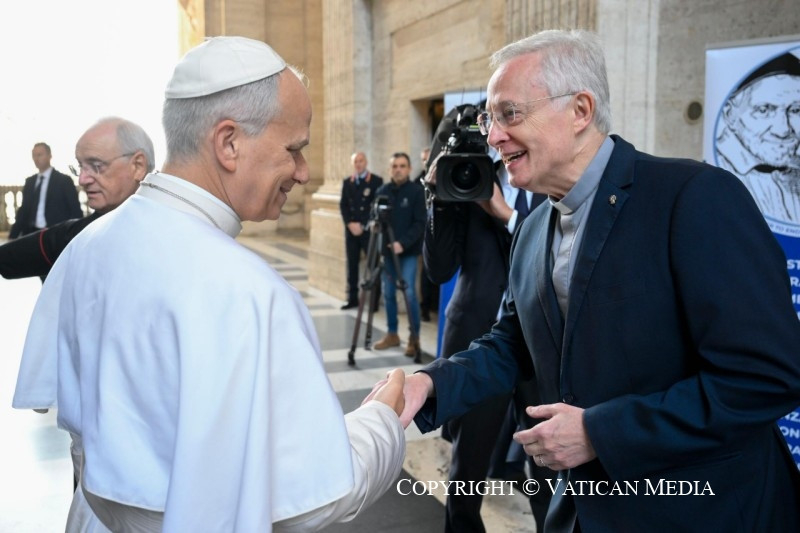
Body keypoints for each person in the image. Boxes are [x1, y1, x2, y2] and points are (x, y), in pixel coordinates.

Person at [372, 29, 800, 532]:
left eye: (510, 114)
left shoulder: (695, 197)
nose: (493, 137)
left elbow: (767, 376)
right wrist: (431, 383)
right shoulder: (532, 227)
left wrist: (600, 433)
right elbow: (513, 343)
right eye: (490, 119)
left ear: (580, 110)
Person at [13, 36, 407, 532]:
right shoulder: (248, 293)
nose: (304, 173)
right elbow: (317, 498)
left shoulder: (87, 246)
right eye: (294, 149)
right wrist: (382, 420)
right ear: (228, 143)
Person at [0, 117, 154, 280]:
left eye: (96, 166)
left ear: (138, 166)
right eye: (80, 166)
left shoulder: (164, 228)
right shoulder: (81, 234)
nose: (82, 180)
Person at [715, 52, 800, 224]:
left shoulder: (795, 170)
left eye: (796, 110)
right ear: (730, 114)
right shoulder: (709, 179)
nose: (783, 130)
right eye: (764, 110)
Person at [372, 152, 426, 358]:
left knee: (409, 294)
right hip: (387, 254)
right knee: (388, 294)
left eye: (402, 166)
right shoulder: (382, 191)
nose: (398, 169)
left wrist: (402, 244)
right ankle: (392, 333)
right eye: (394, 166)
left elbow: (420, 223)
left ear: (409, 169)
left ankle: (414, 337)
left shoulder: (416, 192)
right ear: (390, 169)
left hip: (407, 253)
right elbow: (373, 216)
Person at [9, 142, 83, 238]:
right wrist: (13, 236)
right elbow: (24, 210)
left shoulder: (64, 180)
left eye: (40, 155)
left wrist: (76, 235)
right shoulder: (30, 182)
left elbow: (75, 210)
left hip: (56, 234)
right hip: (31, 234)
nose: (36, 159)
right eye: (34, 155)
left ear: (49, 156)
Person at [339, 151, 383, 309]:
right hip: (351, 231)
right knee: (352, 266)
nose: (358, 164)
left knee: (373, 265)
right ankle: (352, 299)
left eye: (361, 160)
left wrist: (363, 224)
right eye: (355, 161)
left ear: (366, 162)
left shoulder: (376, 181)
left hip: (368, 231)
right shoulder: (347, 182)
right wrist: (350, 224)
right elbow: (343, 205)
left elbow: (375, 205)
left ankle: (374, 302)